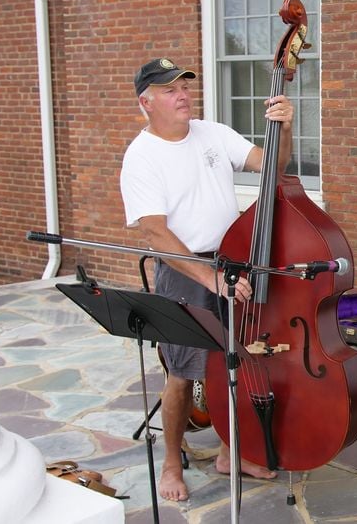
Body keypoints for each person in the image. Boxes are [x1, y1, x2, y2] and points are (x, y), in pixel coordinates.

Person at [120, 58, 295, 501]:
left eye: (183, 86)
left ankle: (228, 451)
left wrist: (285, 129)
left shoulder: (212, 132)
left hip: (234, 260)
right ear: (147, 102)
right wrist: (209, 276)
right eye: (168, 89)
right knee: (184, 371)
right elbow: (156, 232)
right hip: (186, 269)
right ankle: (172, 463)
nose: (182, 95)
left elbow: (271, 166)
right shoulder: (141, 156)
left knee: (236, 361)